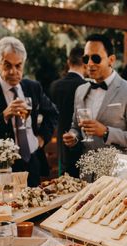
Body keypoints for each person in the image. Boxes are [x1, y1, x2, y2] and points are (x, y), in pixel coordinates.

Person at [0, 36, 59, 187]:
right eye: (7, 65)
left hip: (32, 161)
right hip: (3, 167)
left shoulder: (32, 87)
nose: (13, 71)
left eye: (18, 66)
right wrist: (4, 115)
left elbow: (52, 113)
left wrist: (42, 138)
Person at [63, 33, 127, 151]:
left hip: (120, 167)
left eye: (96, 58)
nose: (90, 63)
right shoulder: (81, 91)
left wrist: (106, 132)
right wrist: (73, 136)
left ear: (111, 60)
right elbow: (76, 127)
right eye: (86, 58)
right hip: (87, 166)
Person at [49, 46, 87, 177]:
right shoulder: (86, 86)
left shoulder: (55, 86)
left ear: (68, 62)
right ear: (85, 63)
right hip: (82, 144)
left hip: (61, 144)